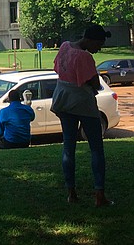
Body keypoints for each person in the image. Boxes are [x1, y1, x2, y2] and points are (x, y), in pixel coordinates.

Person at [51, 23, 113, 207]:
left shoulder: (64, 46)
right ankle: (99, 195)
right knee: (96, 148)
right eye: (99, 44)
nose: (99, 48)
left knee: (68, 147)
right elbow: (94, 83)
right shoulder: (85, 57)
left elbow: (57, 68)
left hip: (63, 99)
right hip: (82, 102)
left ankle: (71, 193)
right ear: (90, 40)